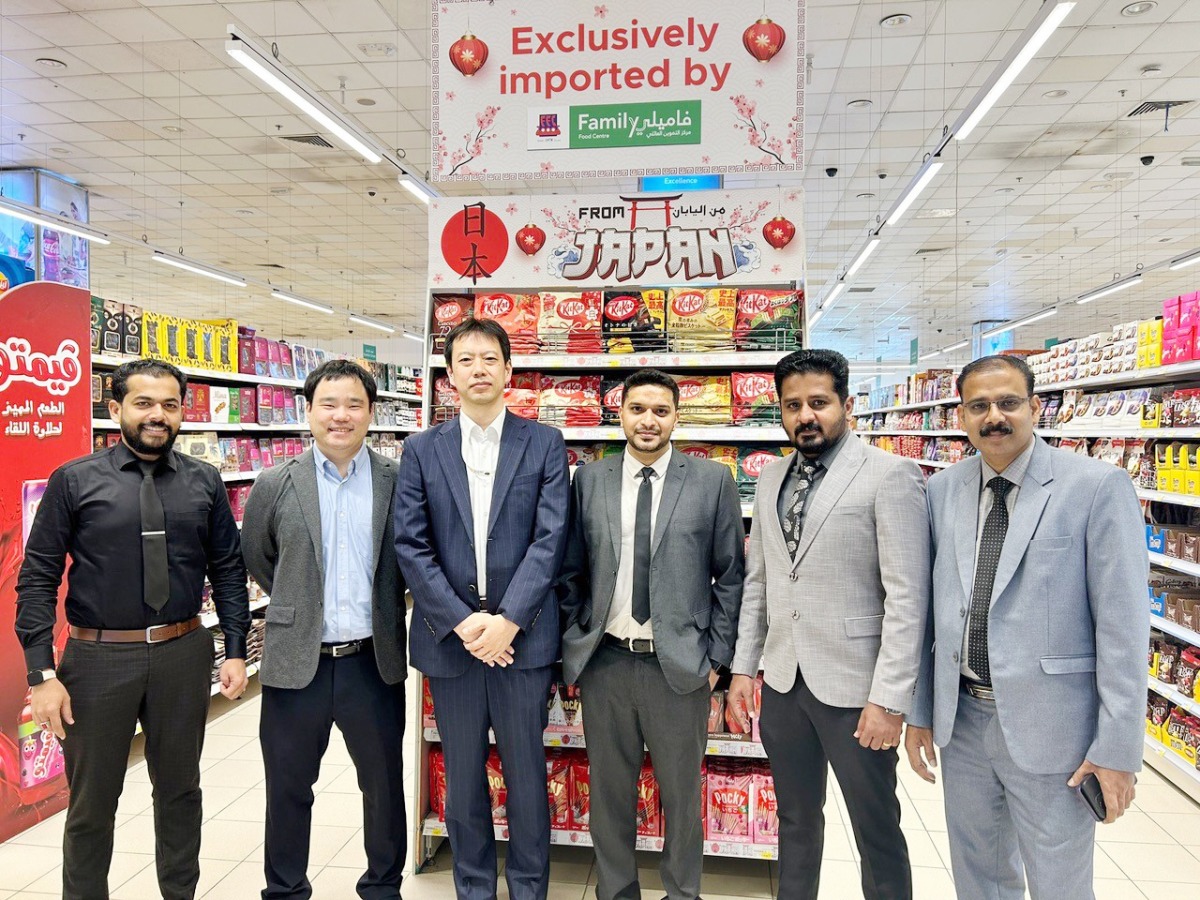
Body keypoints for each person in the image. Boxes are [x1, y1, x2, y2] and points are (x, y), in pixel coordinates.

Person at [905, 354, 1147, 900]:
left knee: (1059, 883)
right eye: (979, 406)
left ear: (1036, 407)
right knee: (979, 876)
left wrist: (1117, 748)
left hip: (1056, 728)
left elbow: (1124, 630)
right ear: (961, 417)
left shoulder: (1096, 487)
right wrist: (920, 712)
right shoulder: (942, 490)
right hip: (963, 721)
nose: (995, 416)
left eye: (1009, 402)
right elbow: (932, 615)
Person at [15, 358, 250, 900]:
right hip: (96, 661)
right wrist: (40, 673)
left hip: (183, 651)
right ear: (115, 407)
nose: (158, 416)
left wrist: (235, 647)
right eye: (144, 403)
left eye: (170, 405)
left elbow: (229, 570)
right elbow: (38, 578)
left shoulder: (204, 481)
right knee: (92, 803)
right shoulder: (74, 480)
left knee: (180, 793)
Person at [727, 348, 929, 900]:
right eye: (792, 405)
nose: (805, 416)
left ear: (847, 404)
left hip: (857, 691)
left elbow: (907, 598)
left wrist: (890, 698)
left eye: (818, 402)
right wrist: (744, 668)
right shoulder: (770, 479)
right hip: (786, 683)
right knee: (794, 820)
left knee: (876, 827)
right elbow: (761, 581)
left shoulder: (891, 475)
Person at [395, 318, 570, 900]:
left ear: (509, 372)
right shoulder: (421, 449)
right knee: (463, 776)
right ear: (449, 377)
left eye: (489, 359)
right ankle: (473, 886)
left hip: (523, 643)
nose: (478, 369)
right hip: (453, 643)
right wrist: (467, 622)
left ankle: (527, 887)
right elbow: (411, 544)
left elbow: (551, 540)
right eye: (465, 360)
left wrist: (508, 621)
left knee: (526, 774)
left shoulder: (543, 442)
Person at [558, 369, 744, 900]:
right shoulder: (589, 480)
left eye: (661, 411)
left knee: (682, 796)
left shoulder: (712, 481)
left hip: (680, 667)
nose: (648, 420)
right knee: (609, 793)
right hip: (607, 663)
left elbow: (731, 576)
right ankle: (616, 890)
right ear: (620, 414)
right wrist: (578, 636)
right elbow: (570, 569)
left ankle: (682, 892)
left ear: (676, 418)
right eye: (638, 408)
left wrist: (718, 658)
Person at [240, 359, 408, 900]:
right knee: (288, 788)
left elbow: (410, 561)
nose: (341, 416)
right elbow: (259, 558)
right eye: (328, 404)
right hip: (296, 663)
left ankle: (382, 887)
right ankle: (285, 890)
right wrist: (300, 605)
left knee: (383, 789)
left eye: (354, 404)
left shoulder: (397, 481)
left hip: (372, 661)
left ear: (371, 412)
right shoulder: (274, 482)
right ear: (307, 410)